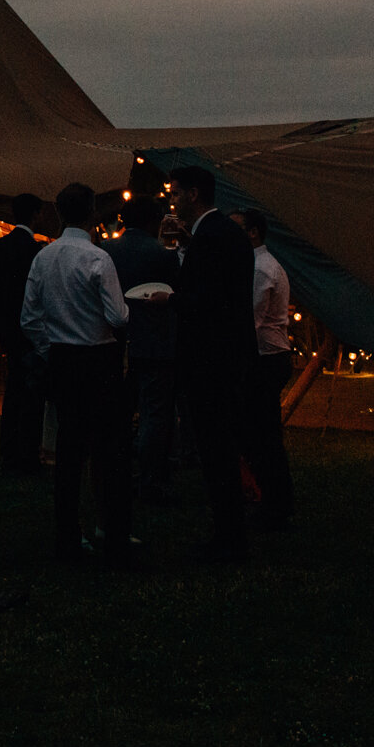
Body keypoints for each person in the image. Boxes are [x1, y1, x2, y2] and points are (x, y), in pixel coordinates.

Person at [20, 183, 135, 567]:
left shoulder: (43, 257)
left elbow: (29, 317)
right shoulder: (98, 258)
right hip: (98, 359)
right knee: (109, 449)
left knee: (69, 451)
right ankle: (111, 531)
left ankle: (68, 535)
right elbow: (118, 316)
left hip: (63, 359)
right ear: (92, 214)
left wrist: (49, 349)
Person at [169, 166, 258, 562]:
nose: (171, 201)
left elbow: (204, 301)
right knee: (225, 443)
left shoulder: (209, 238)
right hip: (232, 355)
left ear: (193, 194)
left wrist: (168, 300)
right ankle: (231, 527)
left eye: (175, 193)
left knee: (215, 447)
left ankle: (228, 534)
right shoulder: (229, 234)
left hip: (211, 359)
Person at [103, 193, 180, 503]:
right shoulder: (162, 254)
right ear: (153, 221)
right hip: (155, 341)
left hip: (113, 339)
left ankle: (116, 473)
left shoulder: (106, 250)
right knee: (154, 413)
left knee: (117, 413)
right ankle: (149, 479)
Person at [238, 210, 296, 531]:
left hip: (265, 359)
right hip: (269, 357)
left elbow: (251, 320)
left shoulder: (260, 269)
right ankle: (272, 498)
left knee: (262, 434)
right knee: (260, 432)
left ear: (253, 233)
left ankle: (273, 502)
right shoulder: (262, 264)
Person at [0, 194, 46, 475]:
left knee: (14, 387)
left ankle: (8, 448)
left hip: (6, 325)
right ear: (35, 215)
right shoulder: (35, 251)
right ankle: (26, 453)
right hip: (29, 326)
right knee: (31, 391)